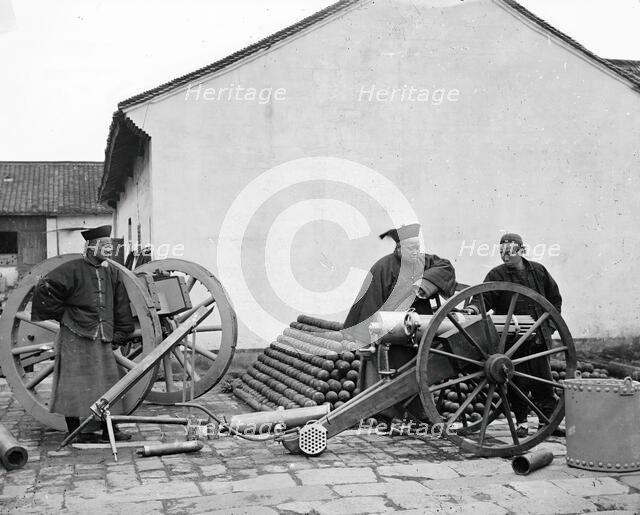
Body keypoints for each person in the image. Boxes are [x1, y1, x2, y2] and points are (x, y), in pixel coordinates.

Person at [31, 225, 135, 442]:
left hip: (101, 336)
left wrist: (121, 333)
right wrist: (65, 316)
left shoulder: (112, 272)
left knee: (108, 385)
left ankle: (109, 431)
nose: (109, 250)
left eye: (110, 246)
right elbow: (46, 288)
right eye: (104, 246)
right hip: (74, 336)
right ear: (91, 247)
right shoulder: (72, 269)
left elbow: (120, 305)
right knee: (72, 384)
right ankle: (75, 432)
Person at [466, 233, 563, 437]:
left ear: (521, 250)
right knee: (517, 383)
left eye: (509, 252)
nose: (505, 257)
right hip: (511, 340)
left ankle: (549, 423)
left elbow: (554, 300)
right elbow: (483, 298)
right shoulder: (496, 274)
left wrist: (550, 328)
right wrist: (474, 309)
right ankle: (521, 423)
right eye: (501, 253)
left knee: (543, 381)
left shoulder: (538, 271)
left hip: (538, 339)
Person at [343, 223, 456, 343]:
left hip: (421, 325)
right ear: (398, 247)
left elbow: (445, 266)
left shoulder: (423, 261)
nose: (415, 253)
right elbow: (371, 302)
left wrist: (423, 284)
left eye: (417, 248)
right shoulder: (383, 267)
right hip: (392, 328)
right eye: (410, 249)